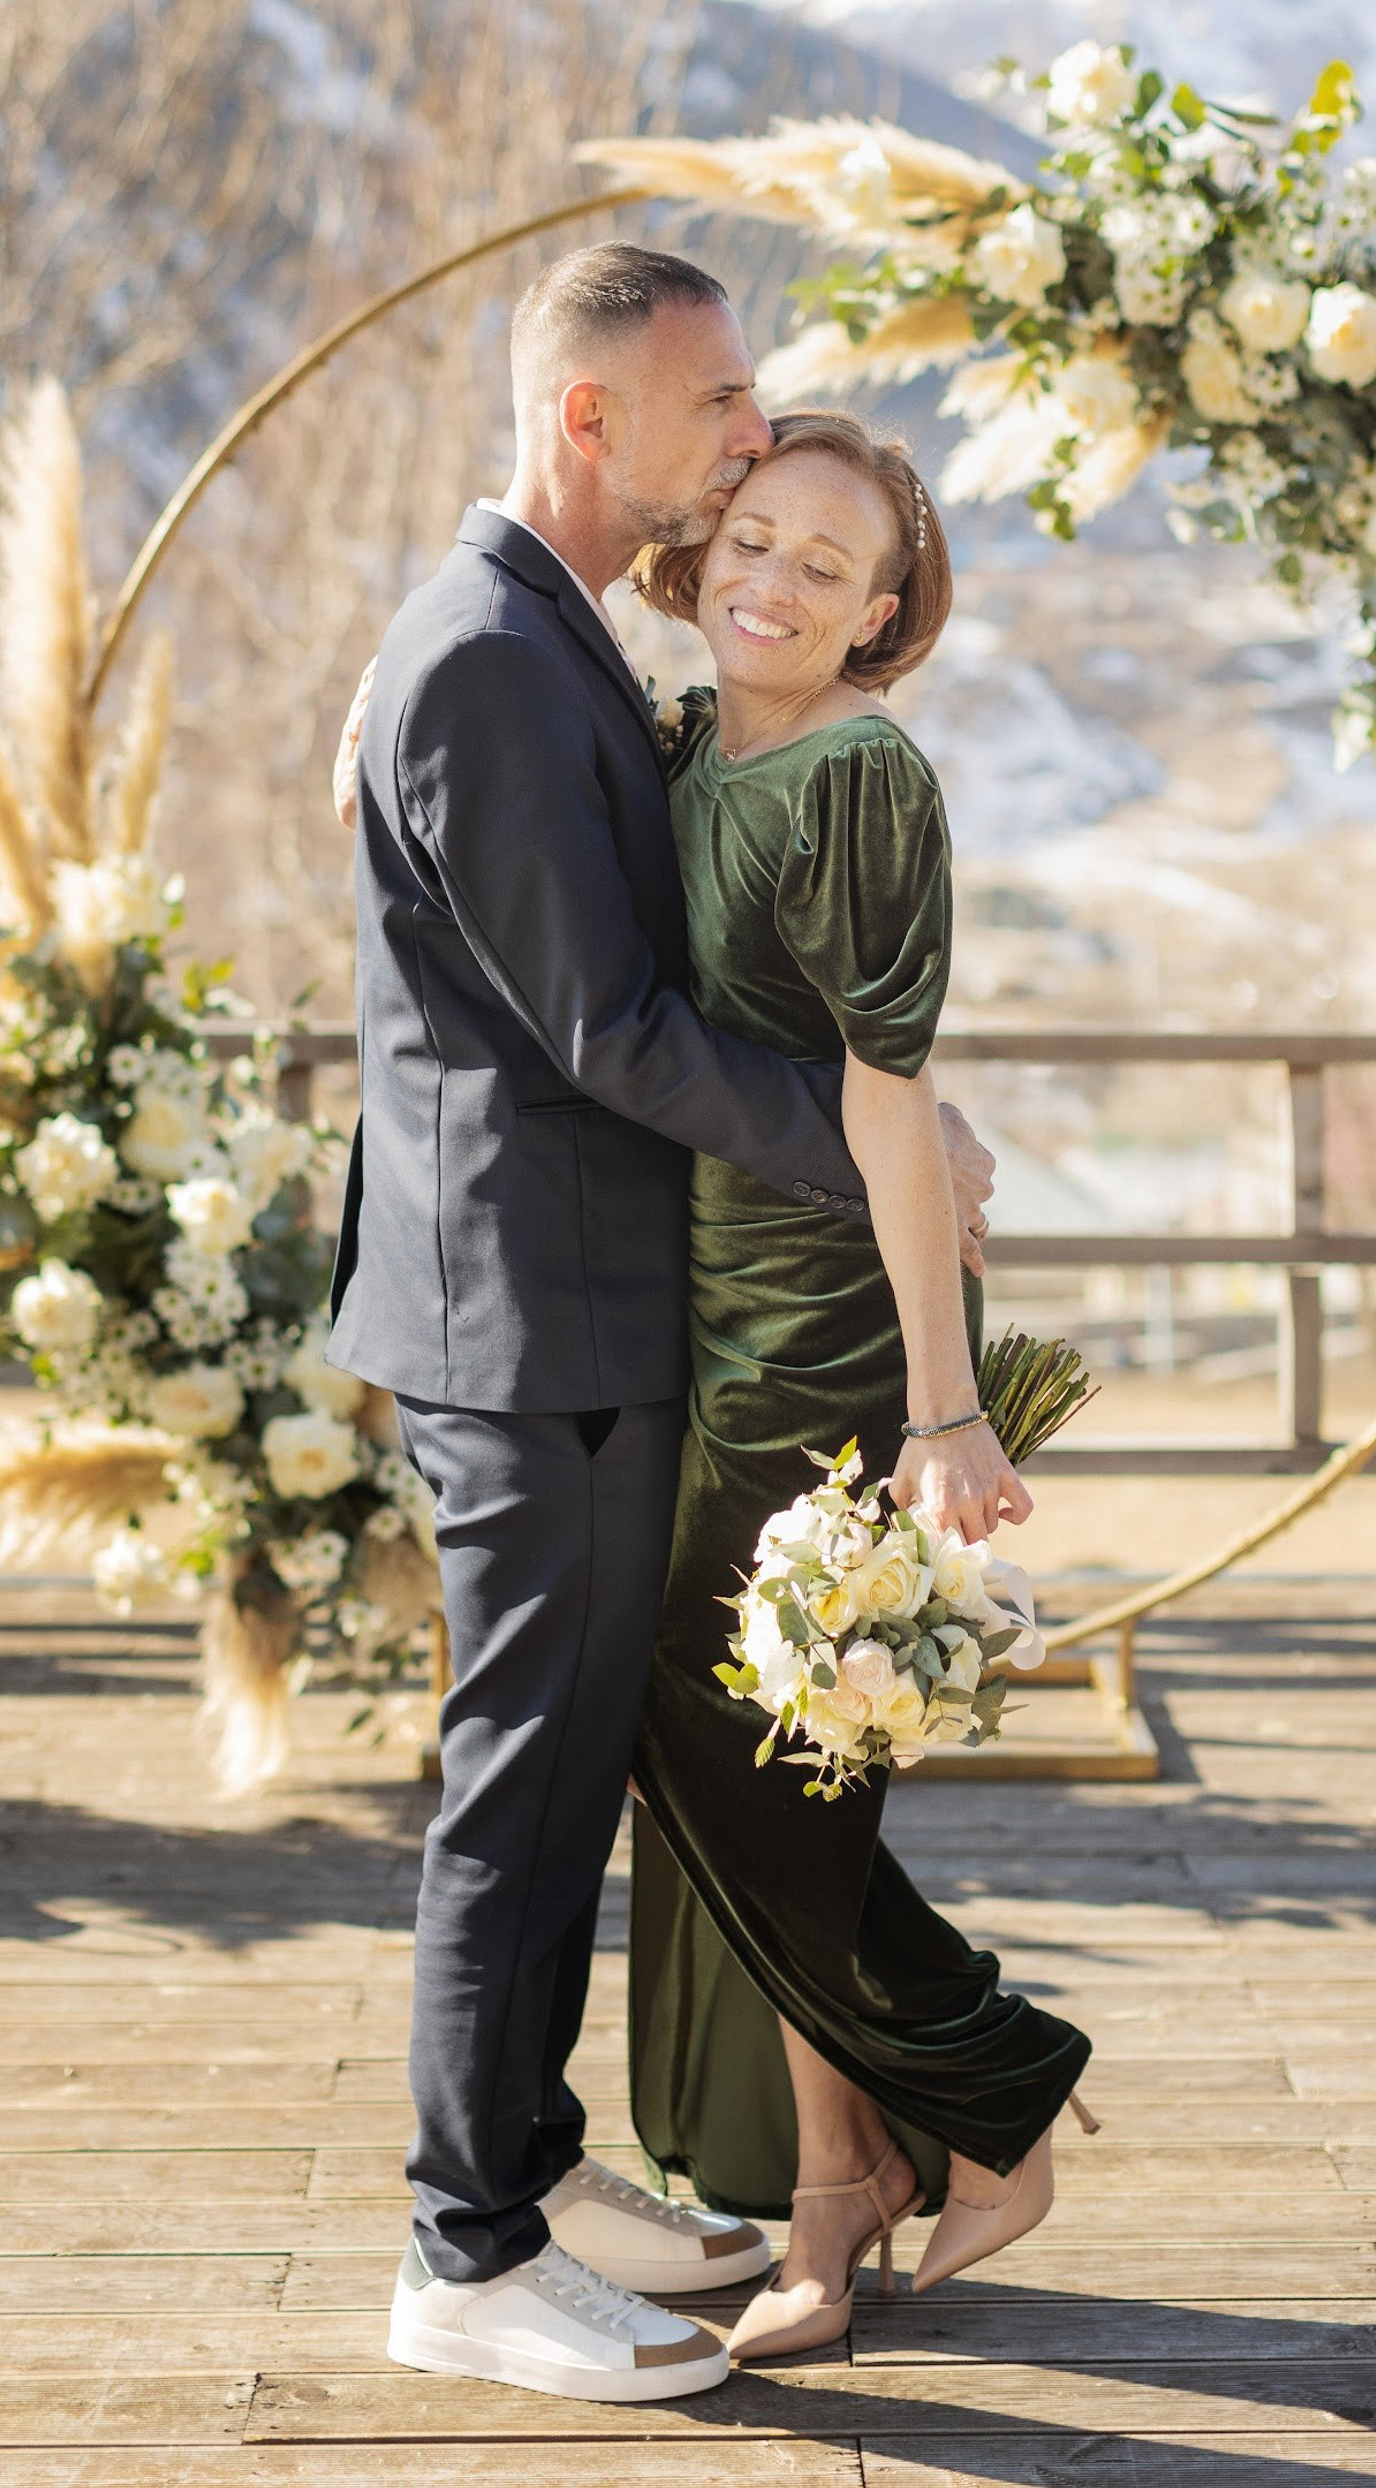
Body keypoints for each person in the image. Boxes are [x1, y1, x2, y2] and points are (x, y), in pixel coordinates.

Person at [327, 242, 995, 2407]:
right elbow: (608, 1026)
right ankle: (466, 2253)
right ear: (590, 421)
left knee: (582, 1761)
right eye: (719, 409)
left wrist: (909, 1113)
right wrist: (873, 1144)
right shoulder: (488, 663)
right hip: (535, 1314)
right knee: (520, 1787)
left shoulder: (542, 640)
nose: (745, 440)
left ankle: (533, 2166)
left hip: (592, 1304)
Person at [621, 410, 1093, 2364]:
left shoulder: (864, 780)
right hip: (678, 1316)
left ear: (888, 613)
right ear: (704, 537)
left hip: (819, 1332)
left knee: (773, 1755)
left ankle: (977, 2102)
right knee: (723, 1756)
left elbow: (891, 1115)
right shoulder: (669, 746)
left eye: (831, 565)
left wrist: (941, 1407)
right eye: (758, 533)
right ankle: (855, 2167)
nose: (778, 578)